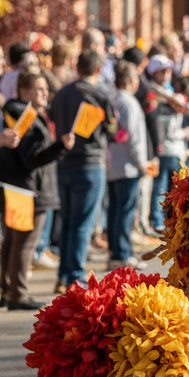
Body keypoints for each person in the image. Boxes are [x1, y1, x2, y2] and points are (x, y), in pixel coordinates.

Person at [0, 71, 75, 309]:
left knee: (13, 241)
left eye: (46, 89)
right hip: (29, 189)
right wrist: (60, 147)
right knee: (24, 242)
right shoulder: (24, 115)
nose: (45, 93)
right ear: (25, 91)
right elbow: (31, 158)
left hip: (18, 186)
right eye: (40, 89)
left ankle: (7, 289)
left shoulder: (18, 112)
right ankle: (17, 294)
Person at [50, 50, 116, 289]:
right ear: (98, 70)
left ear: (77, 68)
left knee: (68, 220)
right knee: (82, 223)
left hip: (65, 161)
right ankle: (74, 276)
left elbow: (51, 116)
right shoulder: (99, 93)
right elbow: (112, 128)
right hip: (90, 162)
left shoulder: (62, 93)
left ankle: (64, 273)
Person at [107, 61, 156, 268]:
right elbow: (134, 138)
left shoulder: (111, 99)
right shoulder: (130, 103)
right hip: (128, 165)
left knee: (115, 210)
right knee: (126, 211)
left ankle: (115, 251)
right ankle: (123, 252)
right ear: (128, 80)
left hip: (112, 163)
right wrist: (142, 163)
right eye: (136, 78)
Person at [143, 55, 189, 232]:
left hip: (173, 148)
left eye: (169, 71)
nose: (167, 74)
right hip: (164, 146)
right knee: (160, 185)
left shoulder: (168, 91)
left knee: (171, 186)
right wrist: (183, 133)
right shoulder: (154, 91)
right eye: (163, 71)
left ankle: (168, 217)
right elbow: (159, 123)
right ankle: (157, 218)